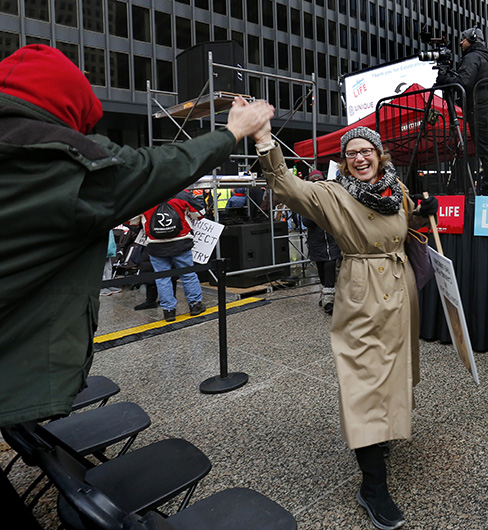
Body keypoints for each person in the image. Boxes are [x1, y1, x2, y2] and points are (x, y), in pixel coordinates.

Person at [0, 44, 274, 430]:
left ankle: (168, 310)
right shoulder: (57, 158)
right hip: (177, 246)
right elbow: (156, 169)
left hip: (157, 248)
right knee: (187, 276)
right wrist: (234, 132)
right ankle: (192, 306)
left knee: (164, 281)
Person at [250, 113, 438, 530]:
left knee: (392, 373)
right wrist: (265, 141)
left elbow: (406, 228)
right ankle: (372, 486)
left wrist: (423, 214)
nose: (359, 158)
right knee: (364, 382)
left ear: (378, 154)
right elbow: (287, 187)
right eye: (351, 153)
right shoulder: (332, 194)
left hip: (398, 288)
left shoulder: (395, 188)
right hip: (362, 293)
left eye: (366, 150)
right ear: (345, 160)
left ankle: (381, 437)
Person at [436, 27, 488, 193]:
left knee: (484, 152)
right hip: (483, 109)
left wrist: (444, 77)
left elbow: (463, 83)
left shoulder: (473, 57)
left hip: (479, 111)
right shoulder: (484, 57)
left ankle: (485, 191)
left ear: (472, 39)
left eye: (463, 39)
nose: (460, 42)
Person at [142, 190, 207, 322]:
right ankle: (195, 305)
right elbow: (200, 214)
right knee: (188, 274)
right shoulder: (182, 194)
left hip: (155, 244)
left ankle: (169, 311)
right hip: (181, 241)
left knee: (162, 277)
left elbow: (131, 221)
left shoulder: (143, 196)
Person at [301, 170, 341, 314]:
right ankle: (326, 294)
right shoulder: (307, 201)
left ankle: (328, 299)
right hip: (317, 241)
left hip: (331, 240)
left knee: (330, 265)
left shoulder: (331, 197)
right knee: (321, 268)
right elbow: (306, 222)